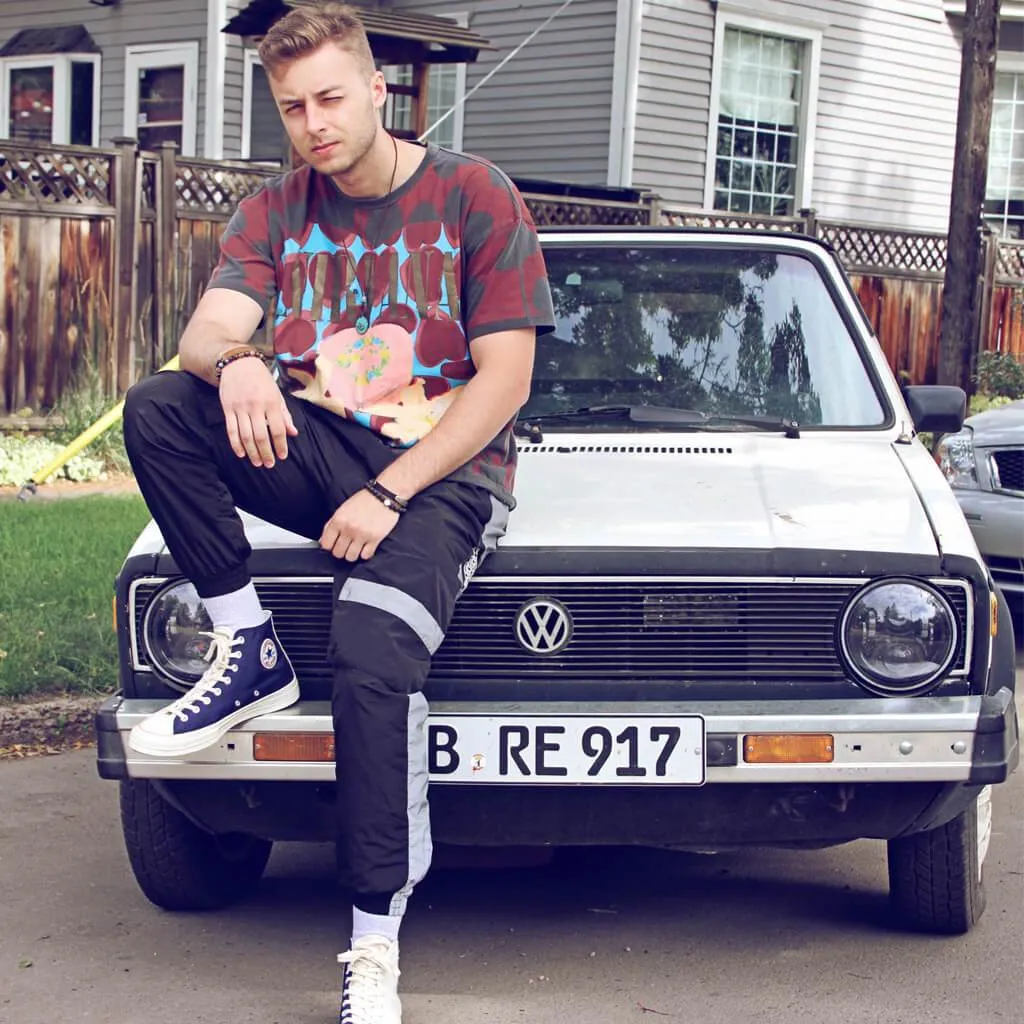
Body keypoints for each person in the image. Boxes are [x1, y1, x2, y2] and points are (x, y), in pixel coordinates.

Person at [120, 3, 555, 1021]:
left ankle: (371, 945)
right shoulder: (275, 209)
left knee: (368, 646)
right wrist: (237, 366)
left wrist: (389, 490)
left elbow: (506, 381)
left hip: (444, 472)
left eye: (328, 98)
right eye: (291, 107)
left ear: (374, 90)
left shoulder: (471, 193)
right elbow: (209, 329)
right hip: (319, 445)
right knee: (162, 407)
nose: (313, 122)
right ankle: (247, 649)